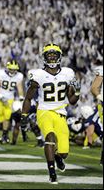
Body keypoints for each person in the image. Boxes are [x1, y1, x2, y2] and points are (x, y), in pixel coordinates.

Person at [21, 43, 80, 184]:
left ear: (60, 57)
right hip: (44, 111)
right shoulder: (38, 75)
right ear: (44, 57)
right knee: (50, 137)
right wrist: (24, 115)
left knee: (64, 152)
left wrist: (77, 92)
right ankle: (52, 173)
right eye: (49, 55)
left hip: (61, 112)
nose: (52, 58)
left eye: (55, 55)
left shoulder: (68, 73)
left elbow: (72, 101)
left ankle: (58, 157)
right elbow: (28, 98)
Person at [0, 59, 24, 144]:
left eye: (14, 69)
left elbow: (19, 87)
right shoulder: (1, 74)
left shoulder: (19, 76)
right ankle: (4, 134)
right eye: (11, 69)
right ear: (7, 68)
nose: (13, 71)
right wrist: (1, 97)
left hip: (10, 98)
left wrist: (21, 97)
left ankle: (4, 135)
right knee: (1, 119)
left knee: (7, 117)